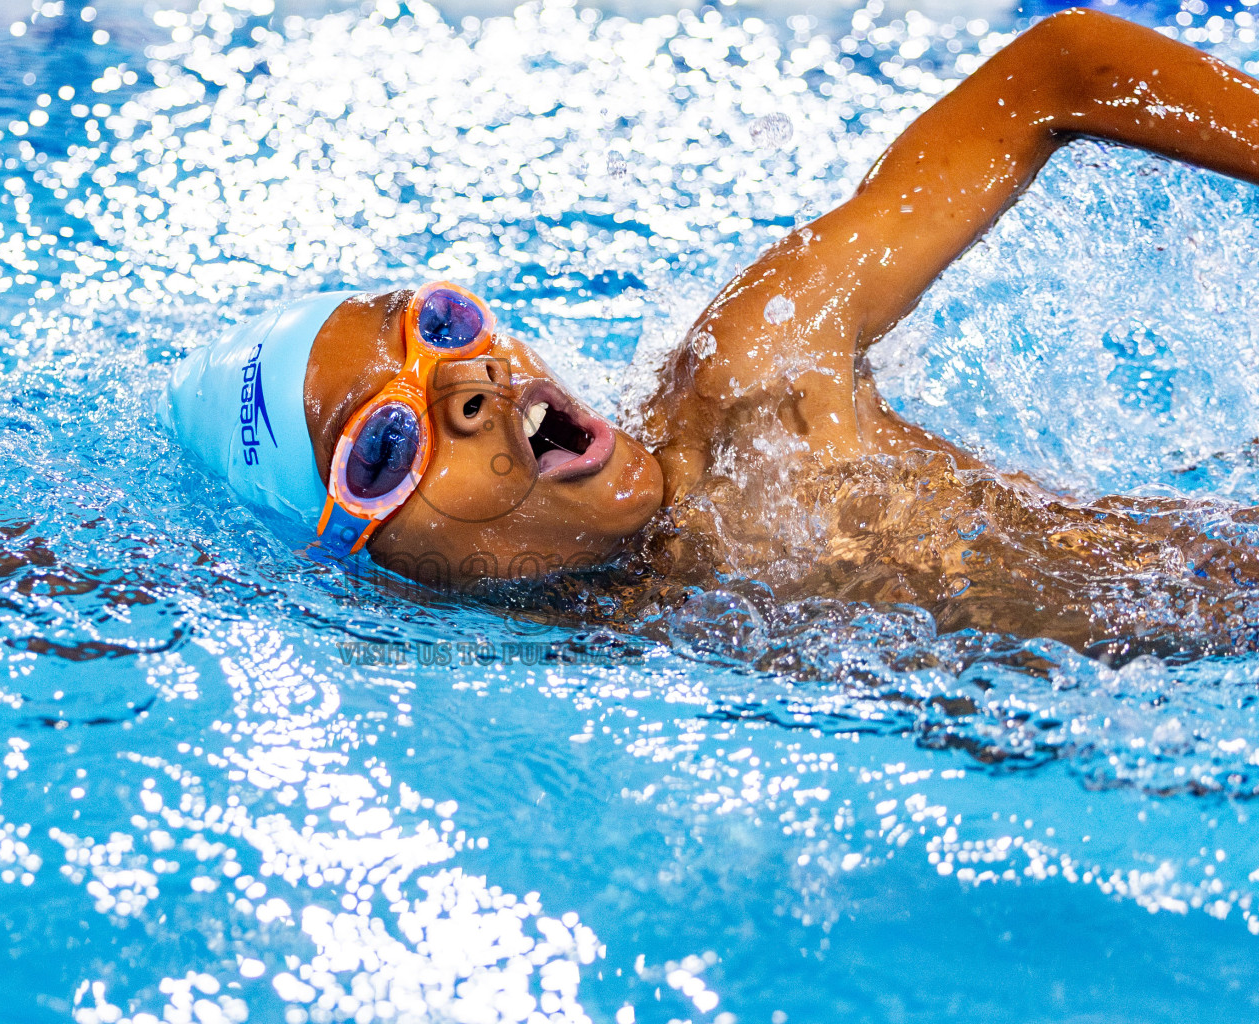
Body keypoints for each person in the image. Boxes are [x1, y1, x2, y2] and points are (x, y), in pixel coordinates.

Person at [163, 8, 1259, 658]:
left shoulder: (752, 389)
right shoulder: (577, 641)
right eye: (386, 447)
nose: (468, 382)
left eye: (439, 327)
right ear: (372, 567)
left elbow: (1059, 71)